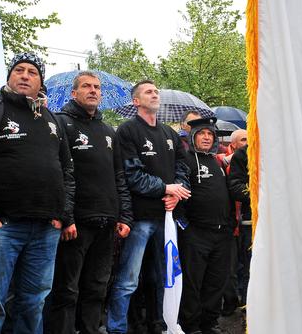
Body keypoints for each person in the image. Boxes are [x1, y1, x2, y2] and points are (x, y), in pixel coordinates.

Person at [0, 52, 75, 333]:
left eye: (32, 72)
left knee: (34, 302)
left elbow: (67, 171)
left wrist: (62, 215)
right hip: (2, 228)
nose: (25, 75)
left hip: (46, 228)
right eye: (19, 70)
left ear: (40, 81)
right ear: (9, 76)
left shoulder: (51, 118)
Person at [45, 71, 134, 334]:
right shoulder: (61, 123)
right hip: (76, 224)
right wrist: (66, 217)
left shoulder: (108, 130)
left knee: (97, 287)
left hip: (107, 222)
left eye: (96, 87)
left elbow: (119, 176)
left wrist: (124, 216)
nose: (93, 90)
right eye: (86, 86)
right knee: (66, 289)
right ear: (74, 93)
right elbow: (58, 173)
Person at [106, 80, 191, 334]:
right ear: (136, 101)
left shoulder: (169, 133)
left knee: (164, 278)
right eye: (148, 92)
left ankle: (161, 324)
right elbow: (132, 175)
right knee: (128, 280)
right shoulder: (127, 131)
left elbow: (183, 169)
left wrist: (177, 192)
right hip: (140, 219)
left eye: (156, 91)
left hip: (167, 218)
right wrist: (167, 188)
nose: (155, 94)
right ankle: (117, 329)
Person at [177, 117, 235, 334]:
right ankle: (190, 326)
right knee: (193, 282)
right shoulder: (186, 160)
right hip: (196, 234)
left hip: (222, 234)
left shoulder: (218, 162)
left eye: (210, 134)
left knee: (216, 281)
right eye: (202, 133)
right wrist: (187, 227)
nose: (207, 137)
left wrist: (230, 225)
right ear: (193, 137)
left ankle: (209, 323)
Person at [220, 129, 247, 315]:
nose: (247, 142)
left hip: (242, 220)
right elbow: (234, 188)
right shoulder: (225, 160)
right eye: (243, 139)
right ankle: (231, 302)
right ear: (234, 143)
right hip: (234, 221)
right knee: (233, 267)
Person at [228, 143, 252, 312]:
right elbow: (235, 187)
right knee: (249, 268)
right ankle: (248, 310)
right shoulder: (243, 154)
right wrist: (261, 193)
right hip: (252, 222)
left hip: (283, 220)